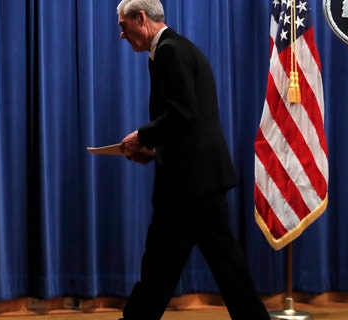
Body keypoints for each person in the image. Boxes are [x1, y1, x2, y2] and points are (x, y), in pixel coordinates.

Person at [115, 0, 271, 319]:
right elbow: (190, 121)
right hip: (196, 177)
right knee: (194, 264)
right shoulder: (178, 48)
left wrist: (143, 137)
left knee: (165, 262)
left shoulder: (171, 51)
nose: (121, 34)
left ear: (140, 18)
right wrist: (155, 150)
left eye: (123, 25)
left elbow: (182, 113)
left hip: (189, 183)